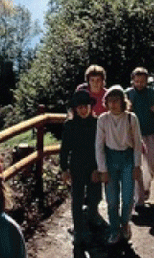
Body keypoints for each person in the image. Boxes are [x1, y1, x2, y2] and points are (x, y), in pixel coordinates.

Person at [96, 85, 143, 244]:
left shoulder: (131, 118)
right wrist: (102, 169)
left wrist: (137, 166)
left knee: (128, 197)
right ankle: (114, 230)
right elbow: (99, 145)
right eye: (110, 101)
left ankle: (125, 223)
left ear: (123, 101)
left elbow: (137, 143)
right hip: (110, 159)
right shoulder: (103, 119)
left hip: (128, 159)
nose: (113, 104)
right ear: (106, 102)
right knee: (112, 199)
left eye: (116, 100)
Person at [125, 67, 154, 208]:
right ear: (132, 80)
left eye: (142, 81)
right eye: (137, 81)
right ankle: (138, 195)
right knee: (136, 165)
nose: (139, 84)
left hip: (151, 133)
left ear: (147, 81)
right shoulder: (127, 94)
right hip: (133, 135)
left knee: (150, 165)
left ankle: (145, 187)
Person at [60, 90, 102, 246]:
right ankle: (78, 230)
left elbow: (101, 147)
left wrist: (99, 167)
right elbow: (64, 149)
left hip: (94, 166)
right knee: (76, 199)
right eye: (79, 107)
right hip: (76, 167)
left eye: (86, 106)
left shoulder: (97, 123)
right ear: (75, 109)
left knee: (95, 195)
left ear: (91, 107)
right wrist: (64, 169)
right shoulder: (70, 125)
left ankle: (92, 217)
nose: (83, 110)